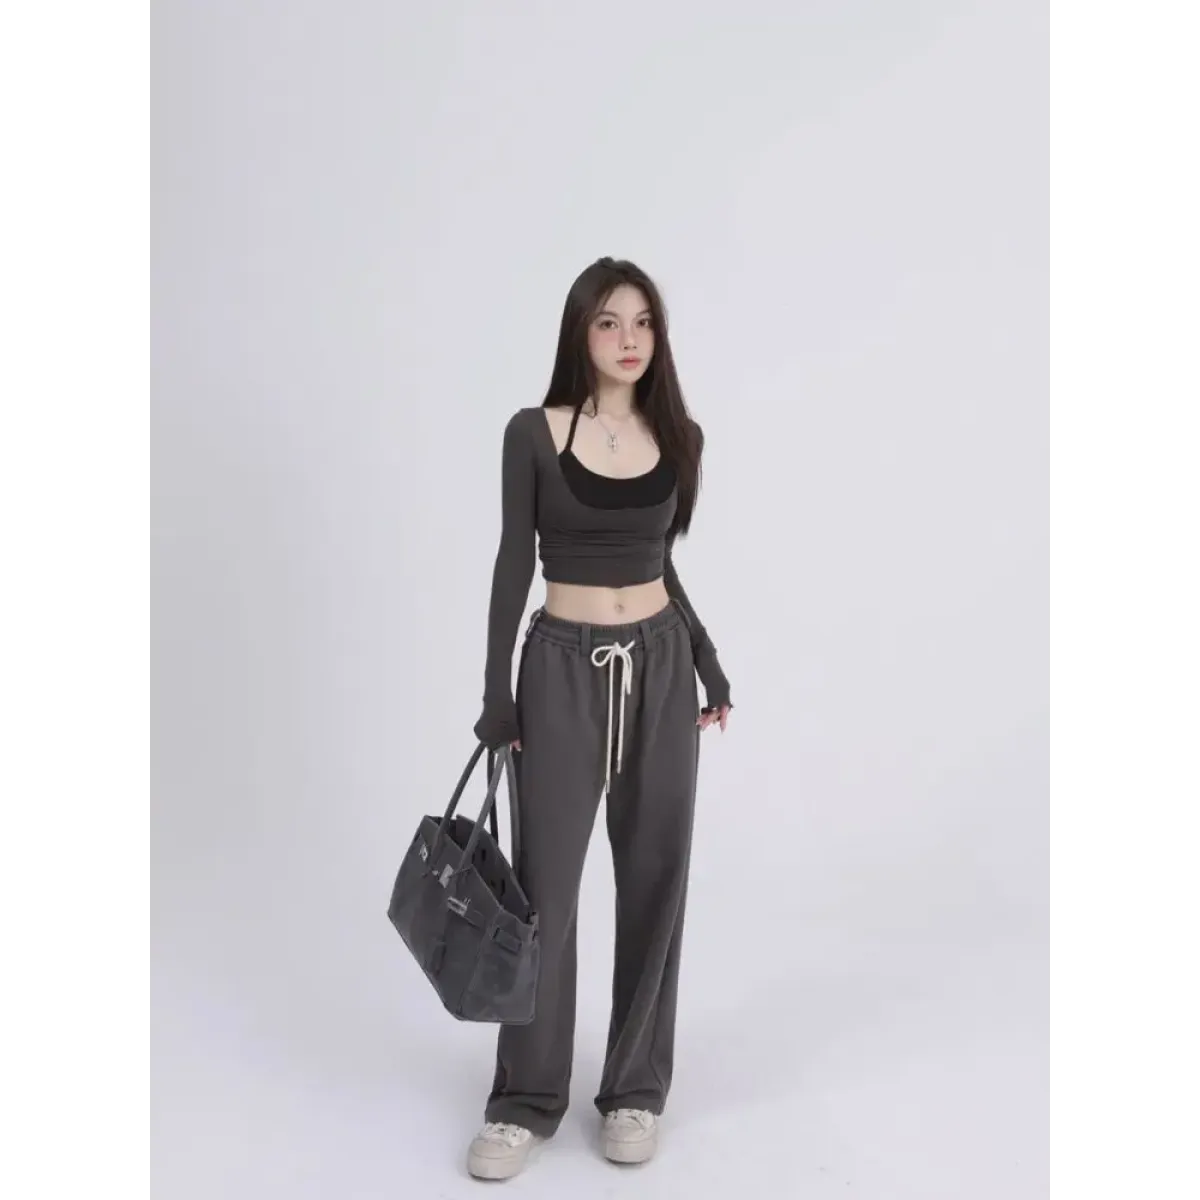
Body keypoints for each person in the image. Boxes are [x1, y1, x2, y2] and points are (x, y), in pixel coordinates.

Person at [466, 257, 733, 1180]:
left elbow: (658, 560)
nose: (629, 339)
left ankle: (634, 1091)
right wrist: (496, 693)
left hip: (660, 664)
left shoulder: (680, 436)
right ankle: (525, 1100)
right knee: (546, 889)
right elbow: (514, 560)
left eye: (644, 322)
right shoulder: (532, 433)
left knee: (657, 875)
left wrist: (705, 656)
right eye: (609, 322)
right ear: (579, 332)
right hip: (560, 669)